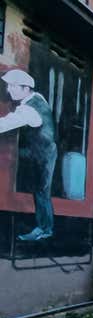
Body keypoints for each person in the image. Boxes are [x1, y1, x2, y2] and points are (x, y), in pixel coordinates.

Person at [0, 69, 57, 241]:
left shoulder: (29, 109)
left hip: (43, 155)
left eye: (13, 86)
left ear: (26, 89)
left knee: (41, 191)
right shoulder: (37, 98)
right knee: (41, 191)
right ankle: (44, 228)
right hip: (43, 152)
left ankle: (44, 229)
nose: (9, 90)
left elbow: (5, 124)